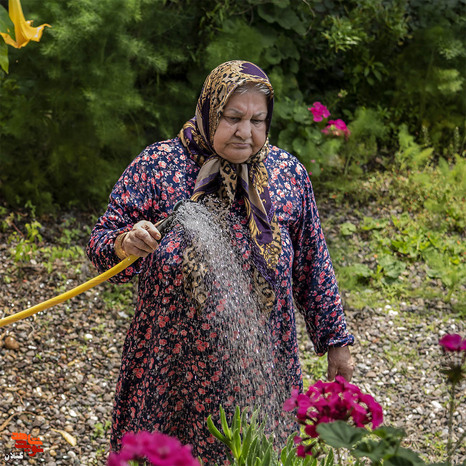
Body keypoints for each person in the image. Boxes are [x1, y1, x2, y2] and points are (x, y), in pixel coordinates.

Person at [87, 60, 354, 464]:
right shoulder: (159, 166)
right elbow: (100, 242)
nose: (246, 132)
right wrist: (126, 243)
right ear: (210, 110)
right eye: (233, 117)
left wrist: (336, 342)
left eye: (258, 120)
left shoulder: (286, 175)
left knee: (255, 454)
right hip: (171, 365)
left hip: (260, 366)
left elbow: (313, 266)